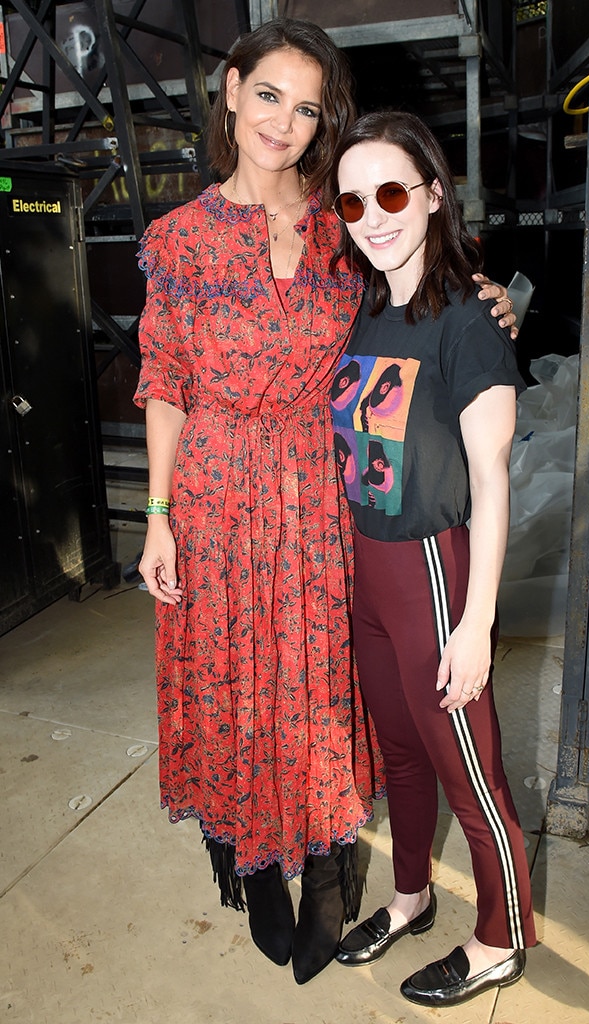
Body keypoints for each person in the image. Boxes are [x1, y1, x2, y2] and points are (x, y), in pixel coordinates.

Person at [134, 17, 517, 986]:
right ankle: (255, 860)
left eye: (308, 108)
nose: (285, 123)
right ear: (229, 91)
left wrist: (489, 299)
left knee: (320, 689)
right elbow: (166, 380)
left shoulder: (342, 221)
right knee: (232, 683)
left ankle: (330, 864)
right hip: (217, 493)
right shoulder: (176, 239)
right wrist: (159, 514)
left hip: (323, 492)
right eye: (268, 96)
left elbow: (418, 283)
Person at [328, 110, 536, 1006]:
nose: (371, 216)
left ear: (432, 194)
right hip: (369, 572)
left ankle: (501, 936)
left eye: (389, 192)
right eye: (350, 200)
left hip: (431, 569)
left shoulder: (467, 322)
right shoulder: (365, 307)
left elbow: (492, 482)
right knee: (404, 759)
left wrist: (477, 623)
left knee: (468, 772)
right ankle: (410, 899)